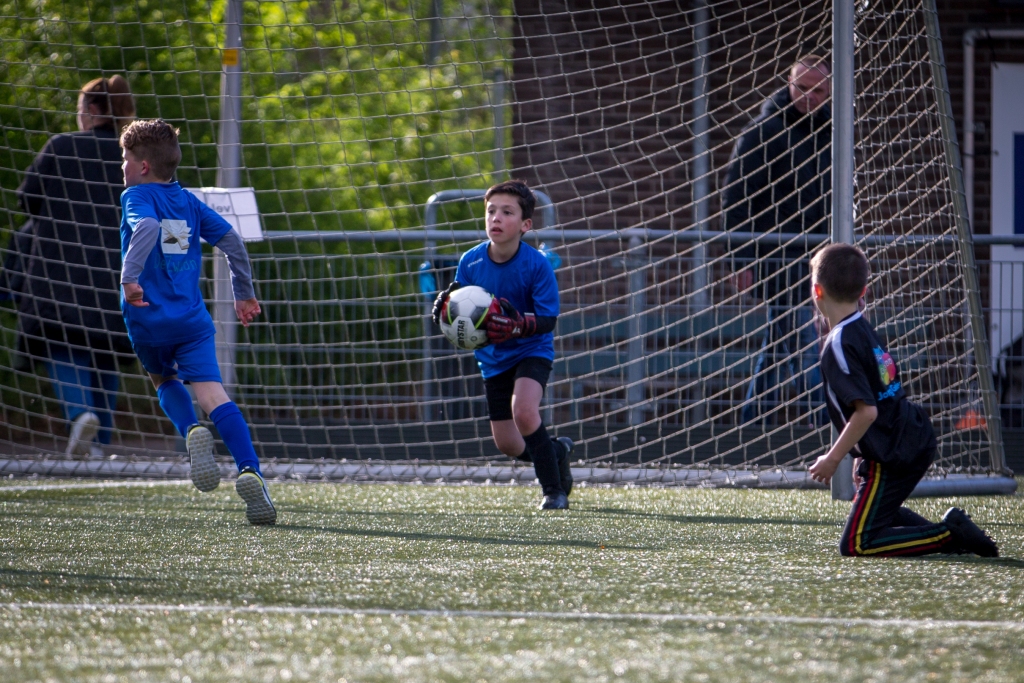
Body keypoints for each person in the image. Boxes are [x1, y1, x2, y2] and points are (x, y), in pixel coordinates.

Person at [118, 119, 275, 525]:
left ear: (143, 166)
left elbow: (147, 226)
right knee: (215, 397)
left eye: (125, 158)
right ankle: (250, 471)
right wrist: (243, 293)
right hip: (191, 320)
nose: (122, 166)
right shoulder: (186, 201)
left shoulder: (136, 195)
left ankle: (190, 430)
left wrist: (130, 277)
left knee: (162, 378)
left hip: (148, 318)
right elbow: (232, 241)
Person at [808, 244, 997, 557]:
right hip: (906, 433)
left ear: (817, 291)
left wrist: (833, 458)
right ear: (863, 291)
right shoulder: (861, 328)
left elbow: (867, 412)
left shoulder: (838, 344)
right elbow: (879, 393)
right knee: (875, 514)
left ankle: (950, 535)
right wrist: (860, 454)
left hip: (892, 450)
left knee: (857, 543)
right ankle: (955, 535)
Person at [432, 180, 574, 510]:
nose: (496, 217)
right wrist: (442, 309)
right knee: (508, 444)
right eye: (491, 211)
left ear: (526, 225)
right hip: (492, 357)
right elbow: (459, 303)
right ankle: (557, 452)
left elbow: (548, 320)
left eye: (507, 212)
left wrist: (517, 324)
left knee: (524, 412)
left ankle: (553, 492)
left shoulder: (537, 264)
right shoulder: (470, 261)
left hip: (530, 350)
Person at [15, 76, 137, 457]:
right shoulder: (130, 155)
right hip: (115, 273)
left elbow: (27, 200)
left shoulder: (62, 146)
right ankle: (100, 445)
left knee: (60, 343)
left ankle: (80, 414)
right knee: (105, 352)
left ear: (93, 110)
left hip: (59, 273)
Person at [721, 55, 832, 424]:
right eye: (802, 87)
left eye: (818, 90)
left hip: (819, 258)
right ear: (789, 84)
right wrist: (739, 260)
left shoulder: (832, 133)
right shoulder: (762, 131)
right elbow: (735, 199)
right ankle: (824, 422)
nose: (809, 96)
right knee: (801, 339)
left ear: (829, 92)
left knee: (781, 341)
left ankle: (753, 420)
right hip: (776, 255)